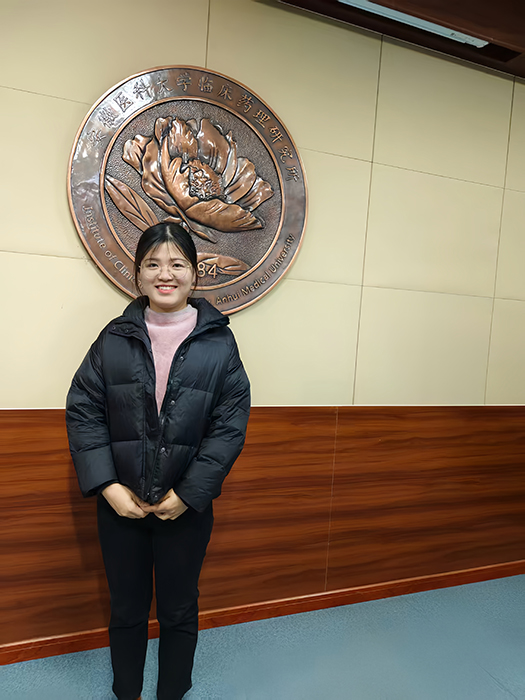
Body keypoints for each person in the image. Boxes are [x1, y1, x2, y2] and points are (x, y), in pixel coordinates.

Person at [65, 222, 250, 700]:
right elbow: (84, 411)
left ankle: (173, 691)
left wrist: (188, 495)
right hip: (120, 505)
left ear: (195, 274)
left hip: (185, 508)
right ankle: (126, 691)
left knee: (178, 609)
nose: (164, 274)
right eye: (153, 264)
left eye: (176, 264)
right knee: (127, 609)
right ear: (138, 274)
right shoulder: (113, 338)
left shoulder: (219, 344)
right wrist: (109, 487)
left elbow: (229, 427)